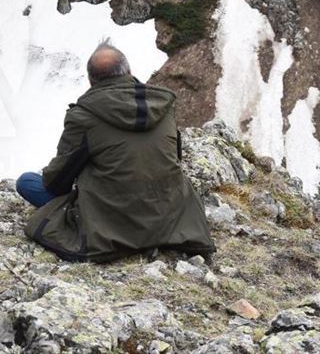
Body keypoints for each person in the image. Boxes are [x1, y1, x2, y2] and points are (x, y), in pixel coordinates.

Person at [18, 41, 215, 262]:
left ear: (91, 80)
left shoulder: (84, 116)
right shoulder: (164, 104)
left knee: (27, 182)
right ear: (129, 72)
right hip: (171, 217)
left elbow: (57, 180)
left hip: (113, 222)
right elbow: (173, 158)